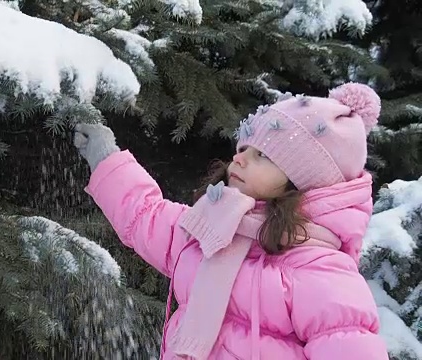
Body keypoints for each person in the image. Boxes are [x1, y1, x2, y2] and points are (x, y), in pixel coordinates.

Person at [72, 82, 390, 359]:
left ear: (303, 180)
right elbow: (145, 215)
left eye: (262, 155)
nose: (239, 158)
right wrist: (106, 158)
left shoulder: (321, 272)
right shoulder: (211, 229)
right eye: (245, 147)